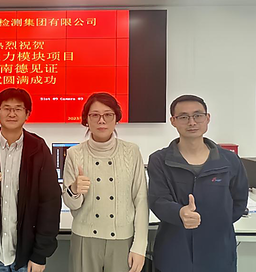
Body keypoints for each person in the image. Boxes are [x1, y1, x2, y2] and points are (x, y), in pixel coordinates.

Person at [0, 88, 61, 272]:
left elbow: (50, 203)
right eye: (6, 108)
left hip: (27, 255)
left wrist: (40, 254)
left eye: (18, 109)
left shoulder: (38, 150)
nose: (12, 114)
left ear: (27, 114)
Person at [148, 94, 249, 272]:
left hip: (218, 252)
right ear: (173, 121)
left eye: (197, 115)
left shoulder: (230, 161)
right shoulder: (159, 160)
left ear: (207, 118)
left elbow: (239, 202)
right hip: (174, 251)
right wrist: (179, 213)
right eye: (183, 117)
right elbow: (158, 200)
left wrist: (214, 222)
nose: (192, 122)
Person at [62, 92, 148, 272]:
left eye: (108, 114)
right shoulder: (74, 153)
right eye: (95, 115)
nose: (101, 120)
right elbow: (71, 204)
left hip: (122, 239)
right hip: (85, 238)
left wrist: (140, 246)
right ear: (86, 119)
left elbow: (141, 200)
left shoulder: (131, 152)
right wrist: (74, 190)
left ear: (116, 118)